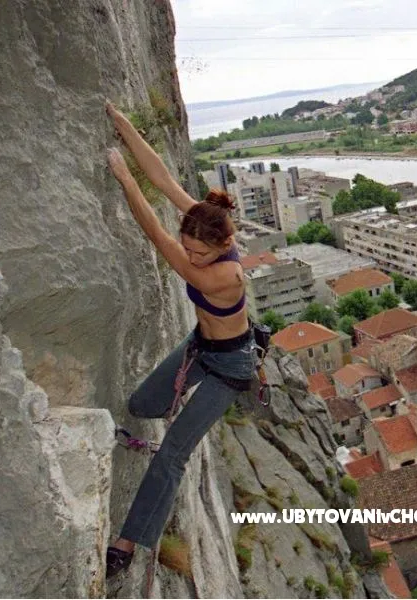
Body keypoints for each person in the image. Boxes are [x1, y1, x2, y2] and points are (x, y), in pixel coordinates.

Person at [104, 102, 257, 578]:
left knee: (173, 453)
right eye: (188, 247)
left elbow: (155, 232)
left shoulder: (223, 275)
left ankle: (128, 543)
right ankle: (177, 415)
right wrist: (123, 125)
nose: (192, 256)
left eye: (199, 253)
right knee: (142, 404)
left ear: (223, 245)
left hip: (230, 369)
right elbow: (164, 178)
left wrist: (124, 178)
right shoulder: (206, 223)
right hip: (201, 347)